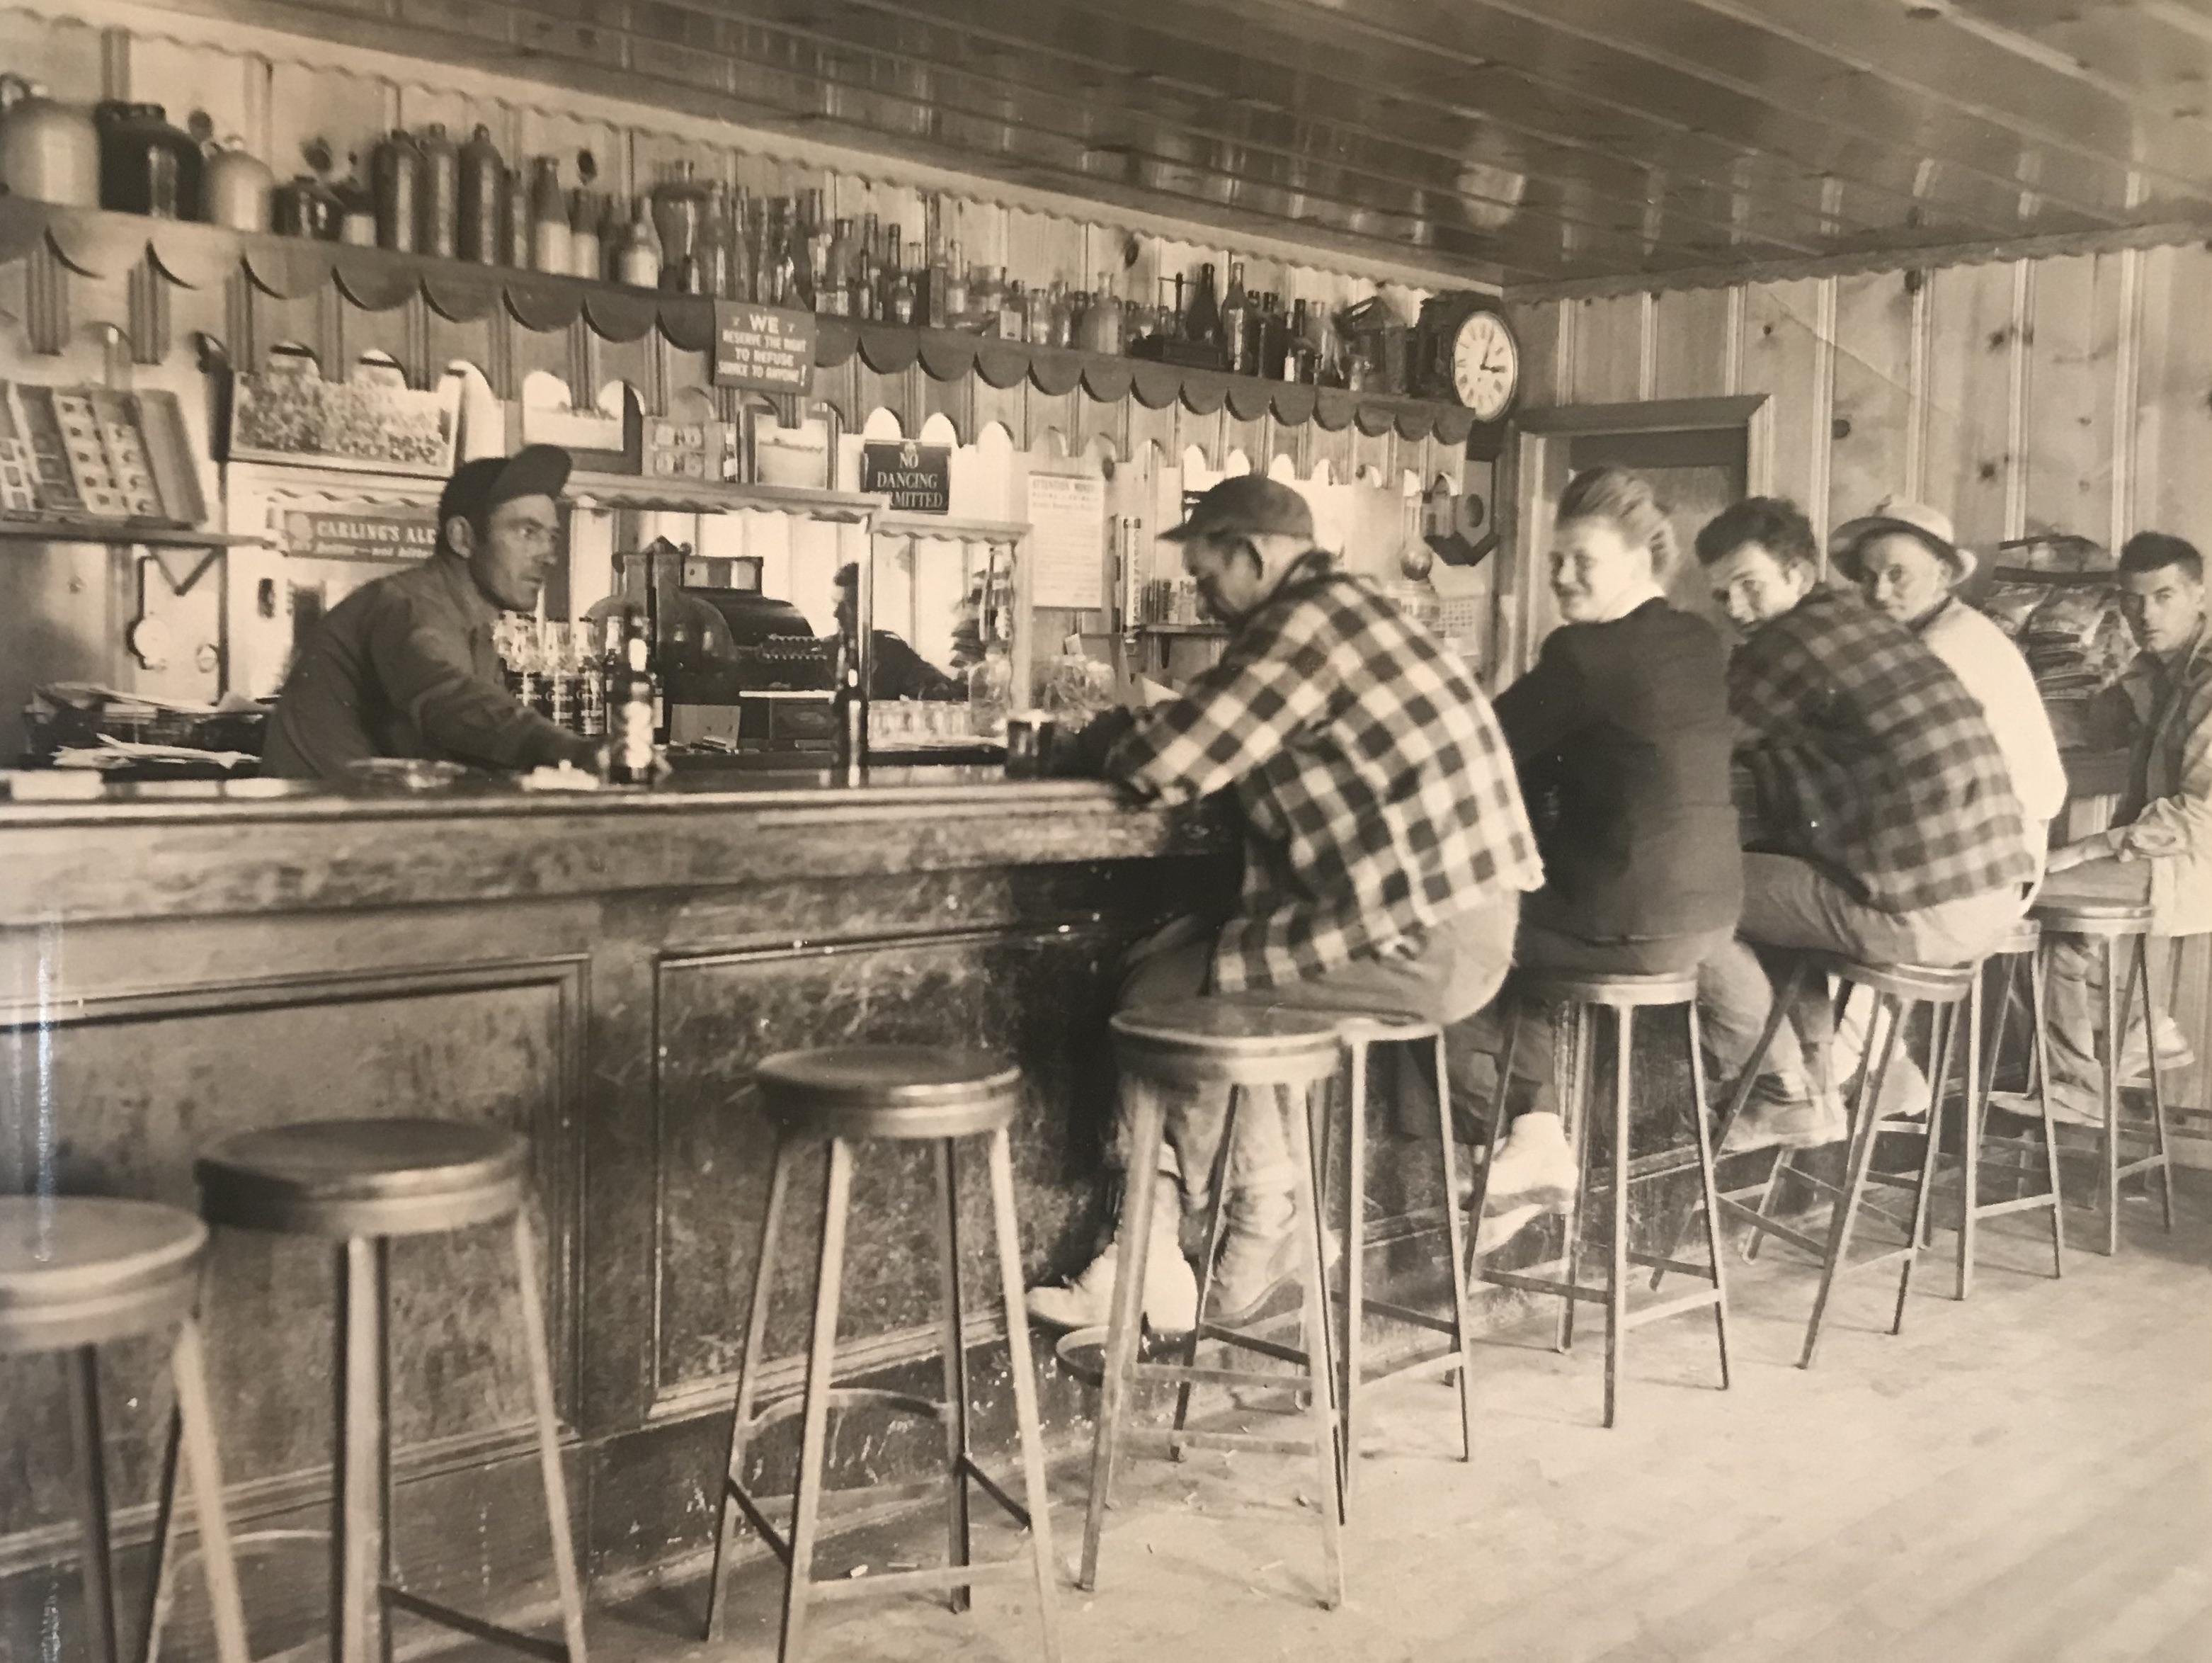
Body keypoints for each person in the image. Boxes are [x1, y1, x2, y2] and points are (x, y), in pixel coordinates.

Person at [1025, 475, 1543, 1334]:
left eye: (1204, 574)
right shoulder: (1356, 608)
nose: (1201, 593)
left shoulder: (1301, 624)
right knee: (1196, 972)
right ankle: (1269, 1216)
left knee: (1158, 1000)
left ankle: (1156, 1262)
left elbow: (1173, 762)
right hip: (1452, 922)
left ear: (1254, 555)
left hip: (1416, 936)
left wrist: (1101, 736)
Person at [1692, 496, 2037, 1152]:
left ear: (1798, 574)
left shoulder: (1786, 641)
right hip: (1993, 901)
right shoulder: (1862, 626)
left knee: (1692, 894)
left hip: (1926, 912)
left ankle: (1779, 1092)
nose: (1736, 607)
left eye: (1750, 585)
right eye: (1722, 594)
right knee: (1774, 879)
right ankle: (1821, 1082)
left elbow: (1695, 748)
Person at [1464, 467, 1745, 1251]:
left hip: (1629, 916)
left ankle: (1535, 1134)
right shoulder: (1695, 637)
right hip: (1709, 918)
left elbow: (1479, 750)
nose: (1561, 577)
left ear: (1639, 559)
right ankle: (1534, 1139)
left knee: (1465, 937)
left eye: (1581, 560)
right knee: (1508, 925)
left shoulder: (1582, 654)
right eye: (1554, 560)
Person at [263, 445, 603, 781]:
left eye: (552, 537)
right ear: (463, 538)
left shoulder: (475, 630)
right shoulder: (408, 606)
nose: (548, 555)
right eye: (526, 533)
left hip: (363, 817)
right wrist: (574, 751)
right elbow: (454, 703)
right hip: (321, 823)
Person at [2037, 532, 2209, 1121]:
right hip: (2160, 853)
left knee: (2025, 895)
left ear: (2198, 594)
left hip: (2194, 859)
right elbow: (2094, 724)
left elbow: (2201, 813)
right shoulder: (2156, 668)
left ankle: (2085, 1079)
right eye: (2133, 600)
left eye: (2164, 597)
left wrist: (2086, 848)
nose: (2146, 614)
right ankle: (2137, 1026)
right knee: (2052, 919)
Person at [1833, 498, 2066, 863]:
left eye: (1897, 575)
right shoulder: (1950, 627)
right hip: (1987, 841)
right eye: (1868, 577)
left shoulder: (1940, 649)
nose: (1878, 593)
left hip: (1991, 857)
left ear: (1941, 574)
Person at [829, 563, 964, 701]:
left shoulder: (888, 650)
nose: (836, 614)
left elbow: (937, 688)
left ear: (867, 606)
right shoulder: (824, 652)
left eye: (848, 605)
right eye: (835, 604)